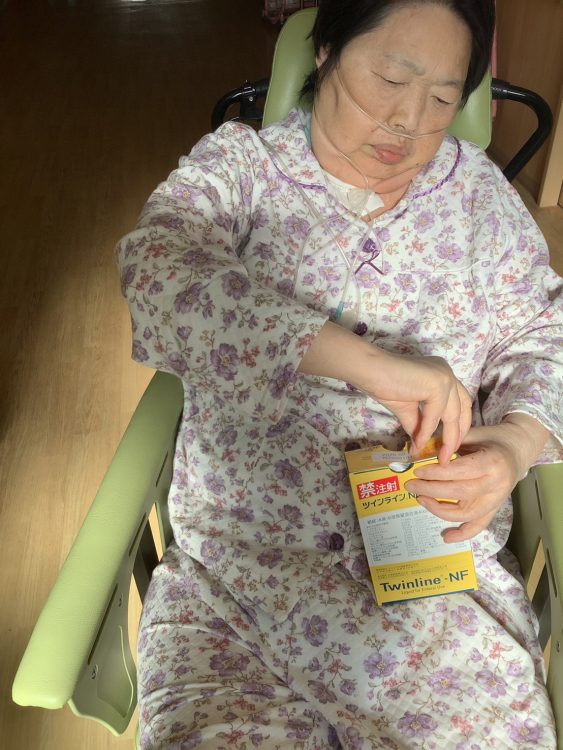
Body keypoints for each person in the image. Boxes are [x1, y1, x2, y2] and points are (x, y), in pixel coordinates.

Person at [116, 0, 562, 746]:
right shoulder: (244, 173)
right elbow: (158, 273)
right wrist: (372, 368)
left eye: (442, 98)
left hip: (440, 599)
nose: (408, 122)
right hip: (239, 590)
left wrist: (514, 444)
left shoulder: (482, 203)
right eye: (389, 79)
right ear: (325, 50)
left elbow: (543, 337)